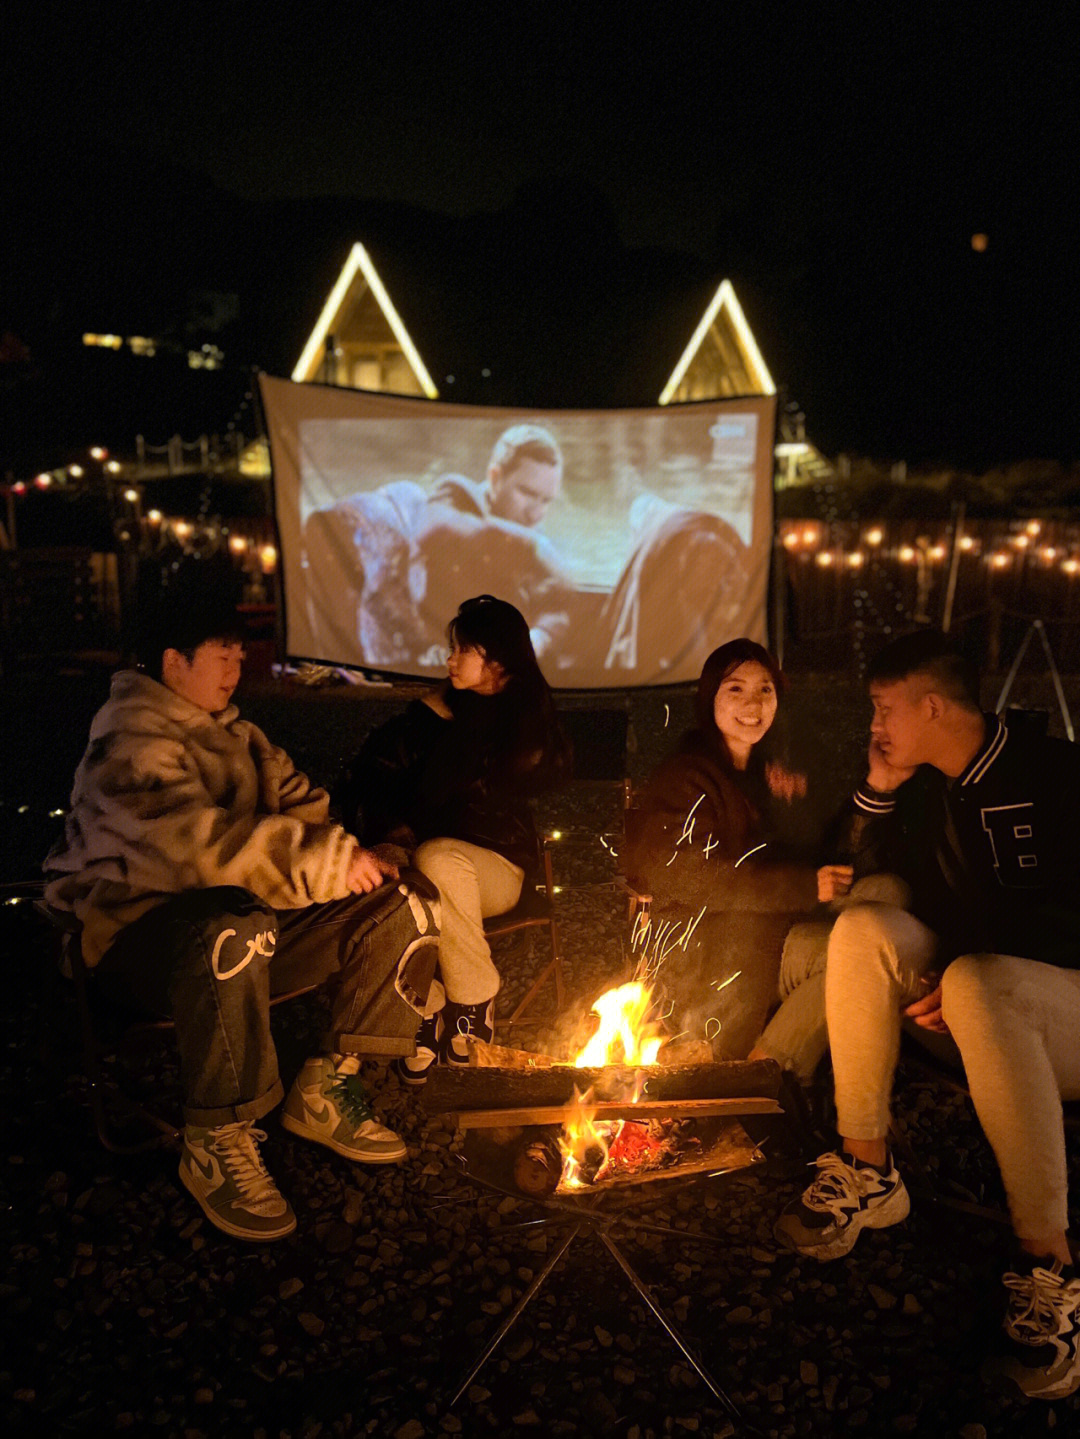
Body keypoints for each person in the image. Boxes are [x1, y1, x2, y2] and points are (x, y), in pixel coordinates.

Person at [44, 577, 439, 1244]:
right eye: (222, 653)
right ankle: (217, 1137)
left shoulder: (240, 734)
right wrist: (318, 861)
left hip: (241, 921)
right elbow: (199, 846)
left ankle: (326, 1086)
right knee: (229, 923)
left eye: (237, 653)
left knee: (394, 903)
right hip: (135, 942)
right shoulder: (130, 740)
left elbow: (306, 808)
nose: (237, 667)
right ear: (176, 661)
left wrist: (355, 852)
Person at [774, 629, 1080, 1400]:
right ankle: (869, 1168)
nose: (873, 723)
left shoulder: (1054, 773)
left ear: (932, 704)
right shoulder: (929, 788)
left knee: (978, 981)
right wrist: (877, 785)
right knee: (862, 930)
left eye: (884, 708)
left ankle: (1053, 1269)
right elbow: (851, 876)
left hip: (1065, 1010)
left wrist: (971, 968)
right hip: (978, 992)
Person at [339, 595, 571, 1082]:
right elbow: (380, 771)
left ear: (496, 658)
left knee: (438, 858)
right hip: (427, 865)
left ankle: (472, 1003)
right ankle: (427, 1006)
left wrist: (453, 723)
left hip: (497, 868)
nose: (449, 660)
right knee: (403, 882)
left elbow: (475, 793)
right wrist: (429, 716)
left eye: (461, 649)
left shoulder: (527, 721)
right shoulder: (443, 714)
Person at [622, 639, 820, 1057]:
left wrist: (796, 810)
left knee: (854, 945)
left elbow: (815, 853)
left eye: (765, 689)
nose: (753, 703)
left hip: (773, 937)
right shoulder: (685, 777)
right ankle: (749, 1076)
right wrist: (803, 886)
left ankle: (766, 1068)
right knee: (839, 960)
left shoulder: (775, 775)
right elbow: (690, 875)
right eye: (736, 689)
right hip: (707, 956)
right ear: (709, 696)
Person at [302, 424, 575, 670]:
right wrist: (532, 546)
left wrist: (541, 636)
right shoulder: (455, 495)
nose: (535, 512)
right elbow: (436, 530)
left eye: (545, 500)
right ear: (495, 477)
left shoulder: (530, 537)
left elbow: (557, 606)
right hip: (438, 663)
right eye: (527, 493)